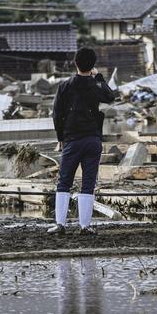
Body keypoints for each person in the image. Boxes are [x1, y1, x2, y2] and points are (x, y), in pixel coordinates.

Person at [48, 47, 117, 235]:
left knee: (64, 182)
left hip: (72, 139)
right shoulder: (95, 85)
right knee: (88, 183)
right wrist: (99, 78)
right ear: (93, 65)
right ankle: (85, 226)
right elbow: (111, 97)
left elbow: (56, 114)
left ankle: (60, 224)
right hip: (93, 139)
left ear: (75, 63)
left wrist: (60, 138)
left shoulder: (65, 85)